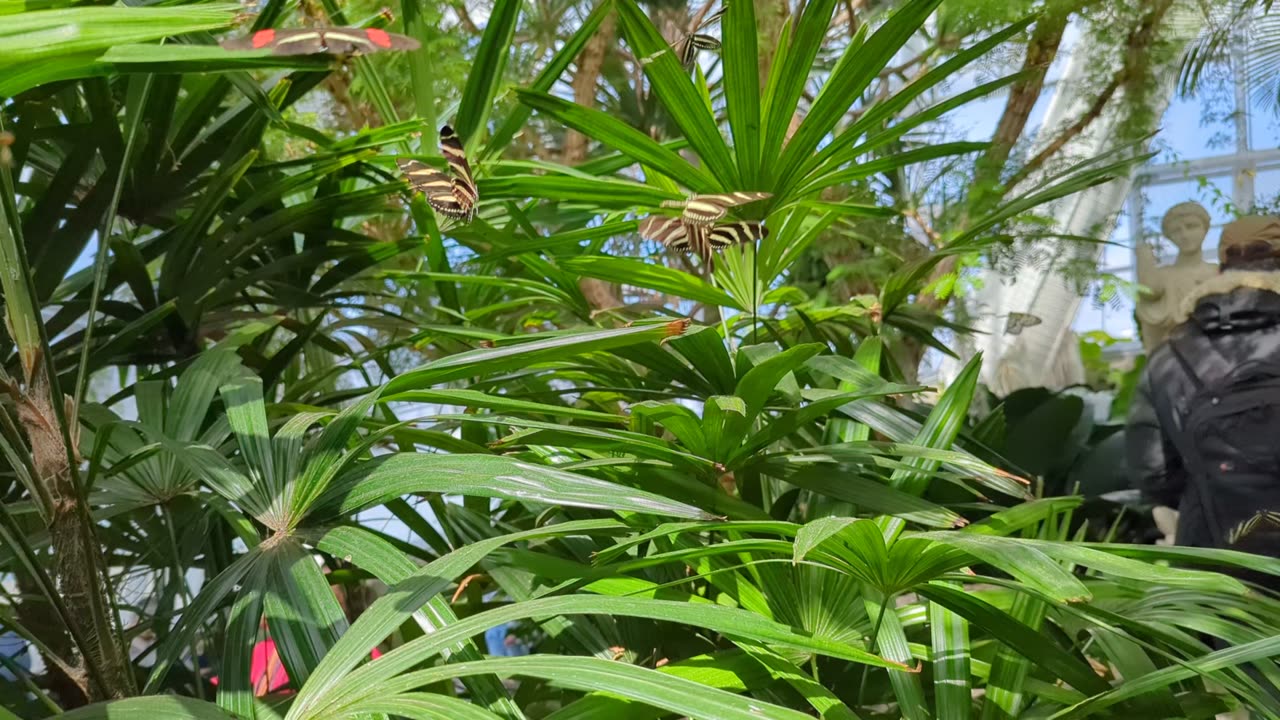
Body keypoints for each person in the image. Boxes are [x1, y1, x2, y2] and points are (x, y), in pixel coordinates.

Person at [1127, 214, 1280, 591]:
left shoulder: (1169, 354)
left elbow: (1152, 471)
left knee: (1228, 648)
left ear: (1223, 266)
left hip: (1216, 559)